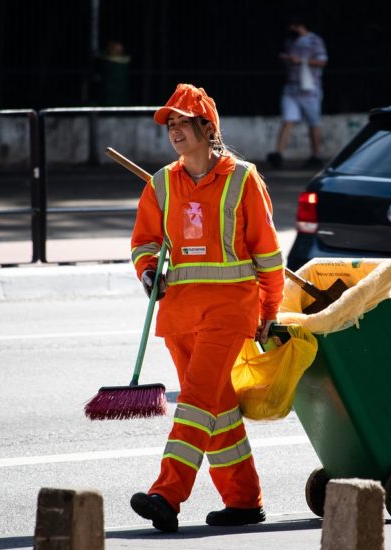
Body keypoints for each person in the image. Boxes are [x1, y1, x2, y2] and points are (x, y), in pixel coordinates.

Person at [129, 83, 285, 532]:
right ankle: (243, 500)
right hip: (177, 315)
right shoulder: (162, 183)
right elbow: (144, 242)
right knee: (216, 407)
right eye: (170, 124)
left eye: (182, 122)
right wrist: (147, 272)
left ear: (206, 126)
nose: (174, 130)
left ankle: (167, 494)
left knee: (196, 402)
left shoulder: (242, 178)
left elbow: (268, 254)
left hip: (228, 313)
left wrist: (268, 311)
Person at [267, 16, 328, 169]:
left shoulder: (314, 40)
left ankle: (316, 155)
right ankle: (278, 154)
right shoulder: (291, 42)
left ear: (298, 24)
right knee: (287, 119)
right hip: (291, 88)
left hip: (310, 89)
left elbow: (322, 61)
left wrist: (301, 61)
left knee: (313, 123)